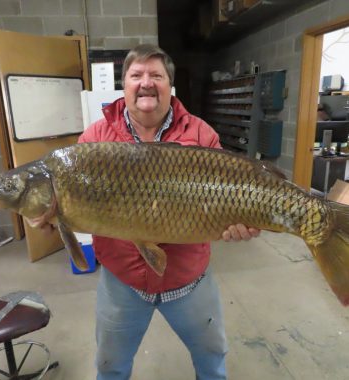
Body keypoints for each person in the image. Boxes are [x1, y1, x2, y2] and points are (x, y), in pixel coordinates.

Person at [78, 44, 260, 380]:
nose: (146, 82)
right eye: (136, 75)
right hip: (123, 282)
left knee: (213, 361)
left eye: (156, 75)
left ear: (169, 86)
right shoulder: (94, 139)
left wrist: (238, 223)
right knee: (110, 367)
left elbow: (231, 194)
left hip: (188, 280)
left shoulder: (201, 134)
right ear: (124, 85)